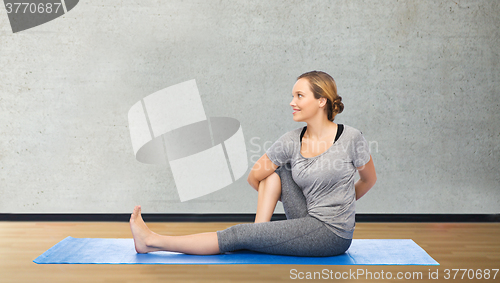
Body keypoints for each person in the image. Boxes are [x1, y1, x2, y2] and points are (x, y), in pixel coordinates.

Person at [129, 71, 377, 256]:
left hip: (332, 233)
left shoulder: (351, 138)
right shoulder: (291, 140)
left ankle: (151, 241)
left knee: (237, 234)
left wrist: (342, 204)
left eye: (300, 96)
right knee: (275, 172)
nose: (292, 102)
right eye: (293, 96)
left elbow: (369, 179)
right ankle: (260, 232)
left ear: (321, 101)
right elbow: (254, 177)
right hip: (306, 215)